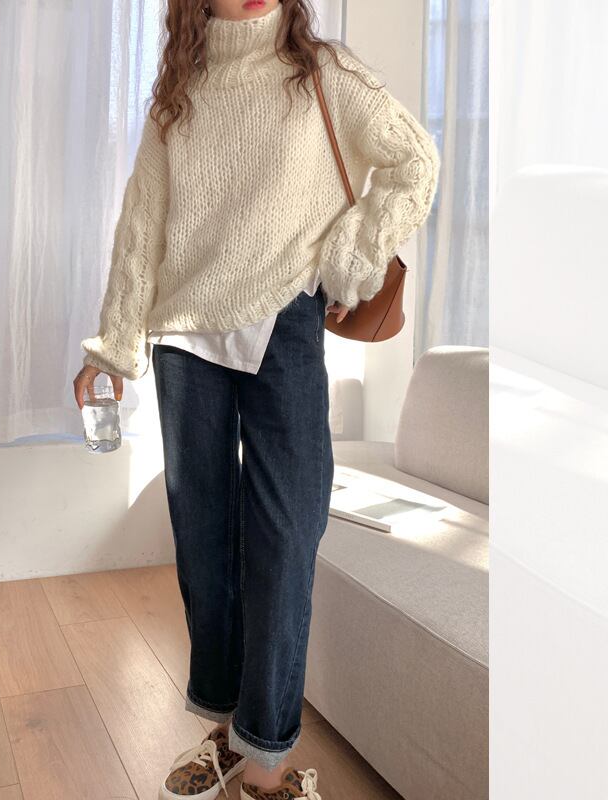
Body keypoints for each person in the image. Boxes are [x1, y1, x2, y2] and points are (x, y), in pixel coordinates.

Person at [74, 1, 439, 797]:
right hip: (185, 337)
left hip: (286, 326)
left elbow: (414, 160)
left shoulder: (324, 73)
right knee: (205, 543)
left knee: (285, 536)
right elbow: (142, 225)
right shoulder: (179, 94)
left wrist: (352, 256)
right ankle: (225, 731)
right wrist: (112, 345)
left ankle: (267, 764)